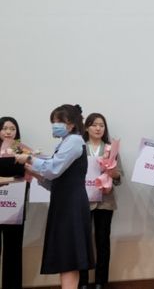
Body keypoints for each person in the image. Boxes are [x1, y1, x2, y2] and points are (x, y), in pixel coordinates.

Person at [15, 104, 94, 289]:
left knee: (68, 257)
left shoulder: (74, 141)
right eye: (53, 121)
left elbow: (53, 169)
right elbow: (54, 181)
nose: (55, 125)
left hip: (71, 205)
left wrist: (29, 158)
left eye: (59, 121)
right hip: (63, 203)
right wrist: (33, 172)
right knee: (67, 257)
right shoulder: (65, 142)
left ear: (71, 124)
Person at [79, 113, 122, 289]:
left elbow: (119, 178)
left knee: (103, 241)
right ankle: (82, 282)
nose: (98, 128)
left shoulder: (111, 149)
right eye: (94, 125)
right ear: (86, 127)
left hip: (105, 201)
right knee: (82, 242)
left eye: (101, 125)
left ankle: (100, 282)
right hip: (82, 201)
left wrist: (113, 173)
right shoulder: (79, 147)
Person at [0, 116, 28, 289]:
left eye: (12, 129)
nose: (8, 132)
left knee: (13, 251)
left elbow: (27, 177)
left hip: (15, 207)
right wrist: (12, 179)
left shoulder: (22, 151)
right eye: (5, 128)